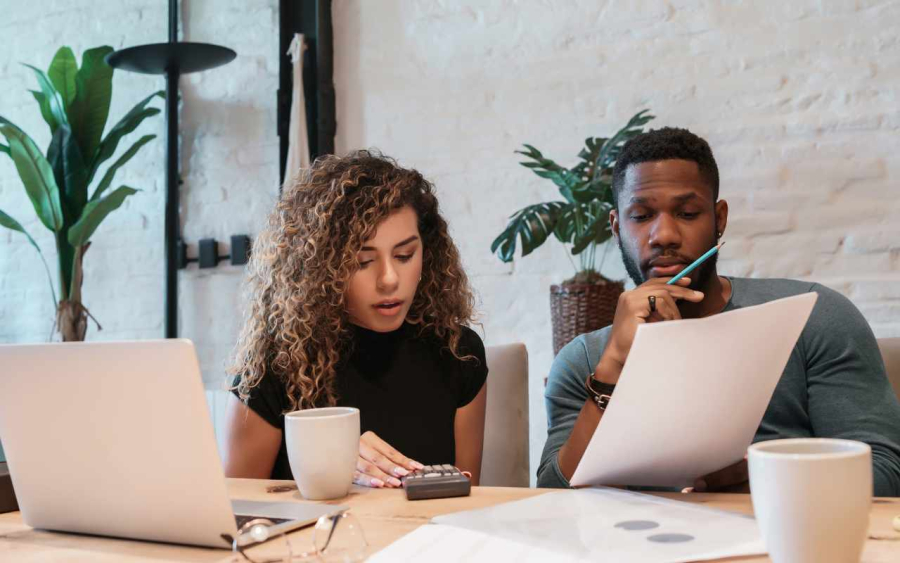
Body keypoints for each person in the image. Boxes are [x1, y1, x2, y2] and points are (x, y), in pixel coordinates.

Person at [537, 127, 900, 496]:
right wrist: (614, 362)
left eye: (688, 212)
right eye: (642, 216)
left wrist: (765, 481)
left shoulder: (814, 317)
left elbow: (885, 472)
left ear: (719, 218)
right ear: (616, 227)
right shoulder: (584, 360)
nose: (663, 235)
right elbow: (552, 495)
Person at [223, 150, 488, 487]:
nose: (389, 278)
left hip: (425, 538)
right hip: (315, 539)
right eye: (363, 261)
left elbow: (468, 496)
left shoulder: (458, 351)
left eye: (405, 255)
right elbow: (238, 511)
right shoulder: (275, 364)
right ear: (322, 269)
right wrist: (325, 462)